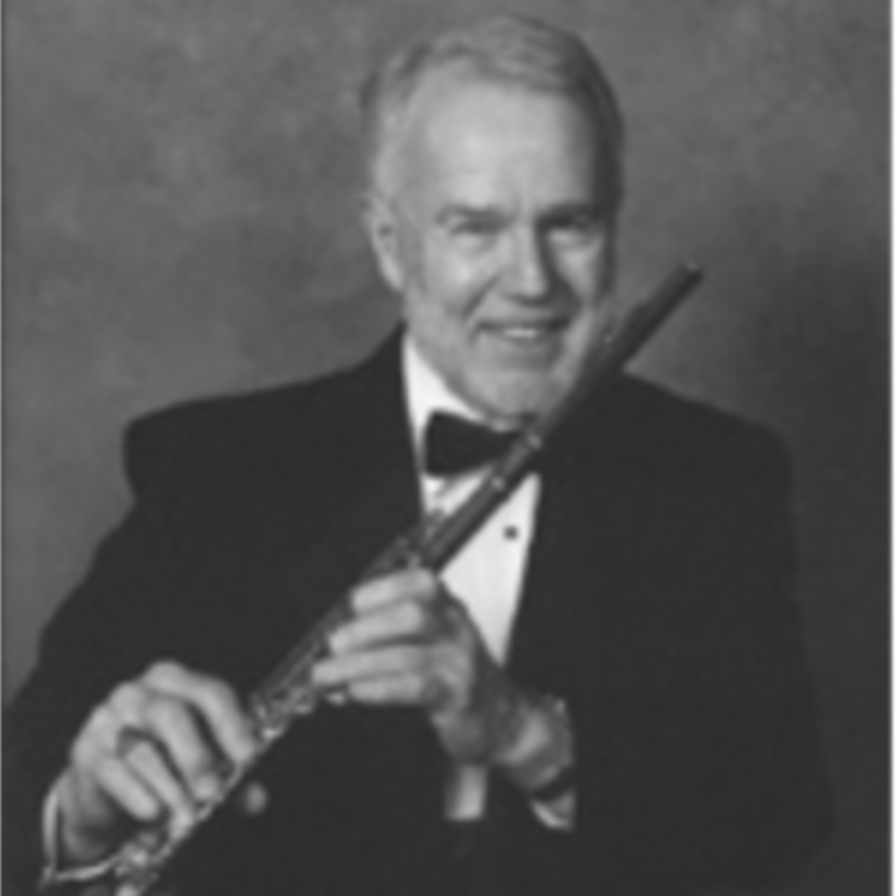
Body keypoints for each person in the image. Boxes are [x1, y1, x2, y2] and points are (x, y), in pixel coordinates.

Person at [3, 14, 829, 896]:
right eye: (476, 228)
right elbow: (18, 802)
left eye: (569, 224)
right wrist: (79, 816)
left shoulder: (714, 478)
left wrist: (524, 732)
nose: (531, 281)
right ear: (391, 247)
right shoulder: (219, 473)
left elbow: (778, 826)